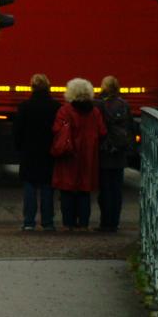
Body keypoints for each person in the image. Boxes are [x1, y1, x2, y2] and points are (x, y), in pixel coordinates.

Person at [52, 78, 107, 231]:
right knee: (84, 190)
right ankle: (83, 223)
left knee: (67, 189)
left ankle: (68, 222)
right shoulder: (95, 112)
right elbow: (102, 131)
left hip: (69, 155)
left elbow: (57, 129)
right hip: (88, 156)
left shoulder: (66, 110)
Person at [13, 73, 61, 231]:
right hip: (49, 152)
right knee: (47, 187)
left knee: (30, 186)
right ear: (48, 86)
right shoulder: (56, 106)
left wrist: (19, 148)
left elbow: (17, 131)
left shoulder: (25, 106)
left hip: (29, 152)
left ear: (32, 87)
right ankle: (47, 222)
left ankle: (29, 222)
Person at [95, 76, 134, 232]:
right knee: (116, 189)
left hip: (105, 151)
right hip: (119, 151)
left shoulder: (99, 105)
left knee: (104, 189)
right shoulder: (124, 105)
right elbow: (130, 127)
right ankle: (115, 223)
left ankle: (105, 223)